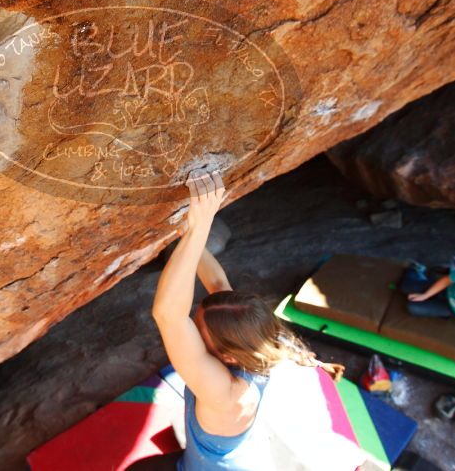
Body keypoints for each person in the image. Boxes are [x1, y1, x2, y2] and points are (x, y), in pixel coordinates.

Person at [127, 170, 343, 471]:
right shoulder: (255, 338)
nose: (190, 323)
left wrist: (199, 228)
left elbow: (168, 314)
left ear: (227, 355)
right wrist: (187, 228)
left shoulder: (229, 394)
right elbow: (216, 282)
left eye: (197, 329)